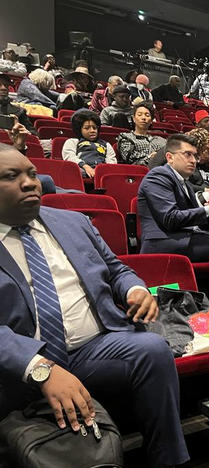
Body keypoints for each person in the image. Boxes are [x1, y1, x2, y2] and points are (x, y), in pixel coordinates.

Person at [0, 144, 189, 467]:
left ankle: (169, 459)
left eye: (32, 173)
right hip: (22, 361)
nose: (30, 182)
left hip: (94, 346)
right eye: (11, 176)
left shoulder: (73, 223)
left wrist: (134, 289)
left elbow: (117, 270)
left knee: (153, 349)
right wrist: (40, 368)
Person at [137, 134, 209, 261]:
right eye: (188, 154)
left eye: (195, 155)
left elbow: (195, 221)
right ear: (169, 157)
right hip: (167, 243)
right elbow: (170, 218)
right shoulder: (157, 176)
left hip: (188, 236)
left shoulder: (185, 183)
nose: (194, 160)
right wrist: (208, 210)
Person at [62, 110, 117, 178]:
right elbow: (70, 157)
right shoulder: (72, 142)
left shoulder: (106, 144)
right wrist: (85, 166)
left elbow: (111, 162)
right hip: (81, 169)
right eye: (87, 128)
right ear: (79, 129)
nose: (92, 130)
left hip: (102, 171)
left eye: (94, 128)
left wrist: (101, 171)